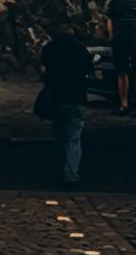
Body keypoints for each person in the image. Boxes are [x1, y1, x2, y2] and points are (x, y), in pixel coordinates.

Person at [35, 25, 93, 188]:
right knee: (74, 139)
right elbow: (89, 71)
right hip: (78, 98)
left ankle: (59, 170)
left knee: (59, 136)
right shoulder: (81, 50)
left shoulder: (50, 49)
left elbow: (43, 70)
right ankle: (71, 174)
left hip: (57, 98)